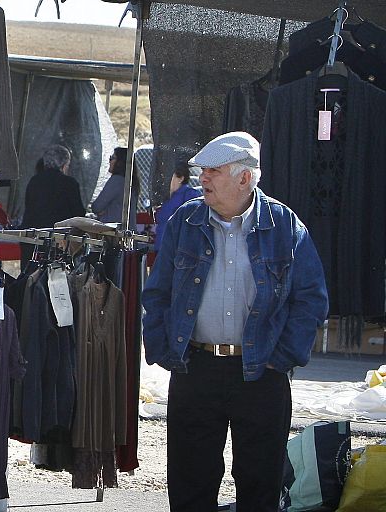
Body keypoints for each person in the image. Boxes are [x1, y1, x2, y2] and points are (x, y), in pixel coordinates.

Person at [141, 131, 328, 512]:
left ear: (245, 177)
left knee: (260, 484)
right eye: (202, 171)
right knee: (191, 481)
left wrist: (282, 357)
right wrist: (163, 349)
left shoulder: (284, 226)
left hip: (261, 374)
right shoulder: (185, 221)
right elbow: (157, 293)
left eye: (213, 171)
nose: (202, 179)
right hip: (196, 368)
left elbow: (310, 299)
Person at [21, 144, 85, 266]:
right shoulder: (69, 184)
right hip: (58, 241)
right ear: (65, 165)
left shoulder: (34, 181)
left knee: (31, 279)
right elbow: (78, 214)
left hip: (32, 238)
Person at [153, 161, 201, 252]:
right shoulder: (164, 197)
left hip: (179, 251)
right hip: (161, 249)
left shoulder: (190, 195)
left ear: (181, 178)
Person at [91, 146, 139, 223]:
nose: (109, 161)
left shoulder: (117, 180)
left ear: (120, 162)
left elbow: (97, 207)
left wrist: (104, 211)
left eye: (112, 158)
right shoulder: (131, 182)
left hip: (113, 230)